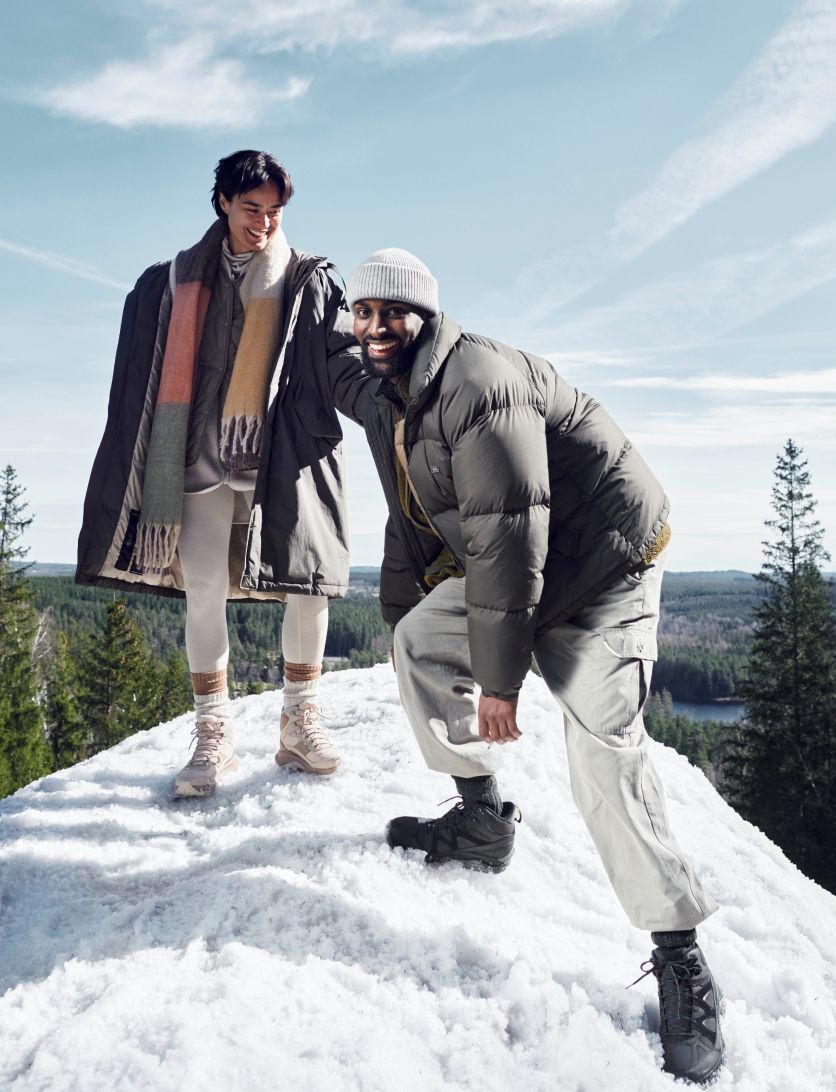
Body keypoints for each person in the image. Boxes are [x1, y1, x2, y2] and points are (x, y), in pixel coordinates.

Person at [342, 248, 724, 1084]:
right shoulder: (394, 383)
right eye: (360, 312)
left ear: (426, 316)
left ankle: (680, 953)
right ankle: (482, 822)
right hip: (535, 563)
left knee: (602, 750)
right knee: (418, 643)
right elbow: (336, 365)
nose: (373, 328)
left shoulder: (477, 382)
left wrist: (501, 685)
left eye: (390, 312)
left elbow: (511, 539)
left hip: (604, 568)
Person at [77, 150, 365, 797]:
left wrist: (386, 400)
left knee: (307, 584)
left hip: (283, 458)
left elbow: (341, 358)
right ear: (223, 203)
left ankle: (299, 723)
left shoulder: (307, 279)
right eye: (250, 208)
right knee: (204, 587)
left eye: (274, 211)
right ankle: (214, 734)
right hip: (197, 460)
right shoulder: (172, 282)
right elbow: (137, 377)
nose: (263, 222)